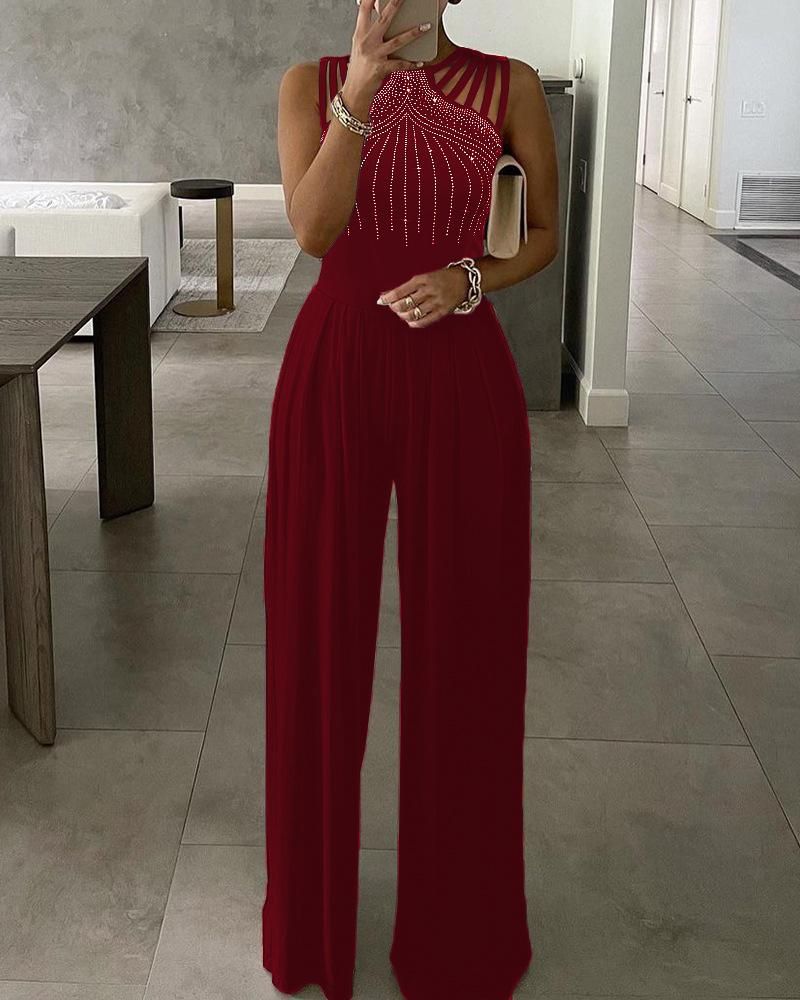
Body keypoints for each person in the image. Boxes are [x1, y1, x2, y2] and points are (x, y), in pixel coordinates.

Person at [263, 0, 559, 997]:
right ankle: (309, 930)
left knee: (469, 638)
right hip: (336, 362)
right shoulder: (308, 83)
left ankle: (461, 938)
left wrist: (469, 279)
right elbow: (314, 232)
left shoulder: (510, 85)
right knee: (315, 634)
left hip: (461, 370)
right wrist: (358, 89)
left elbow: (537, 233)